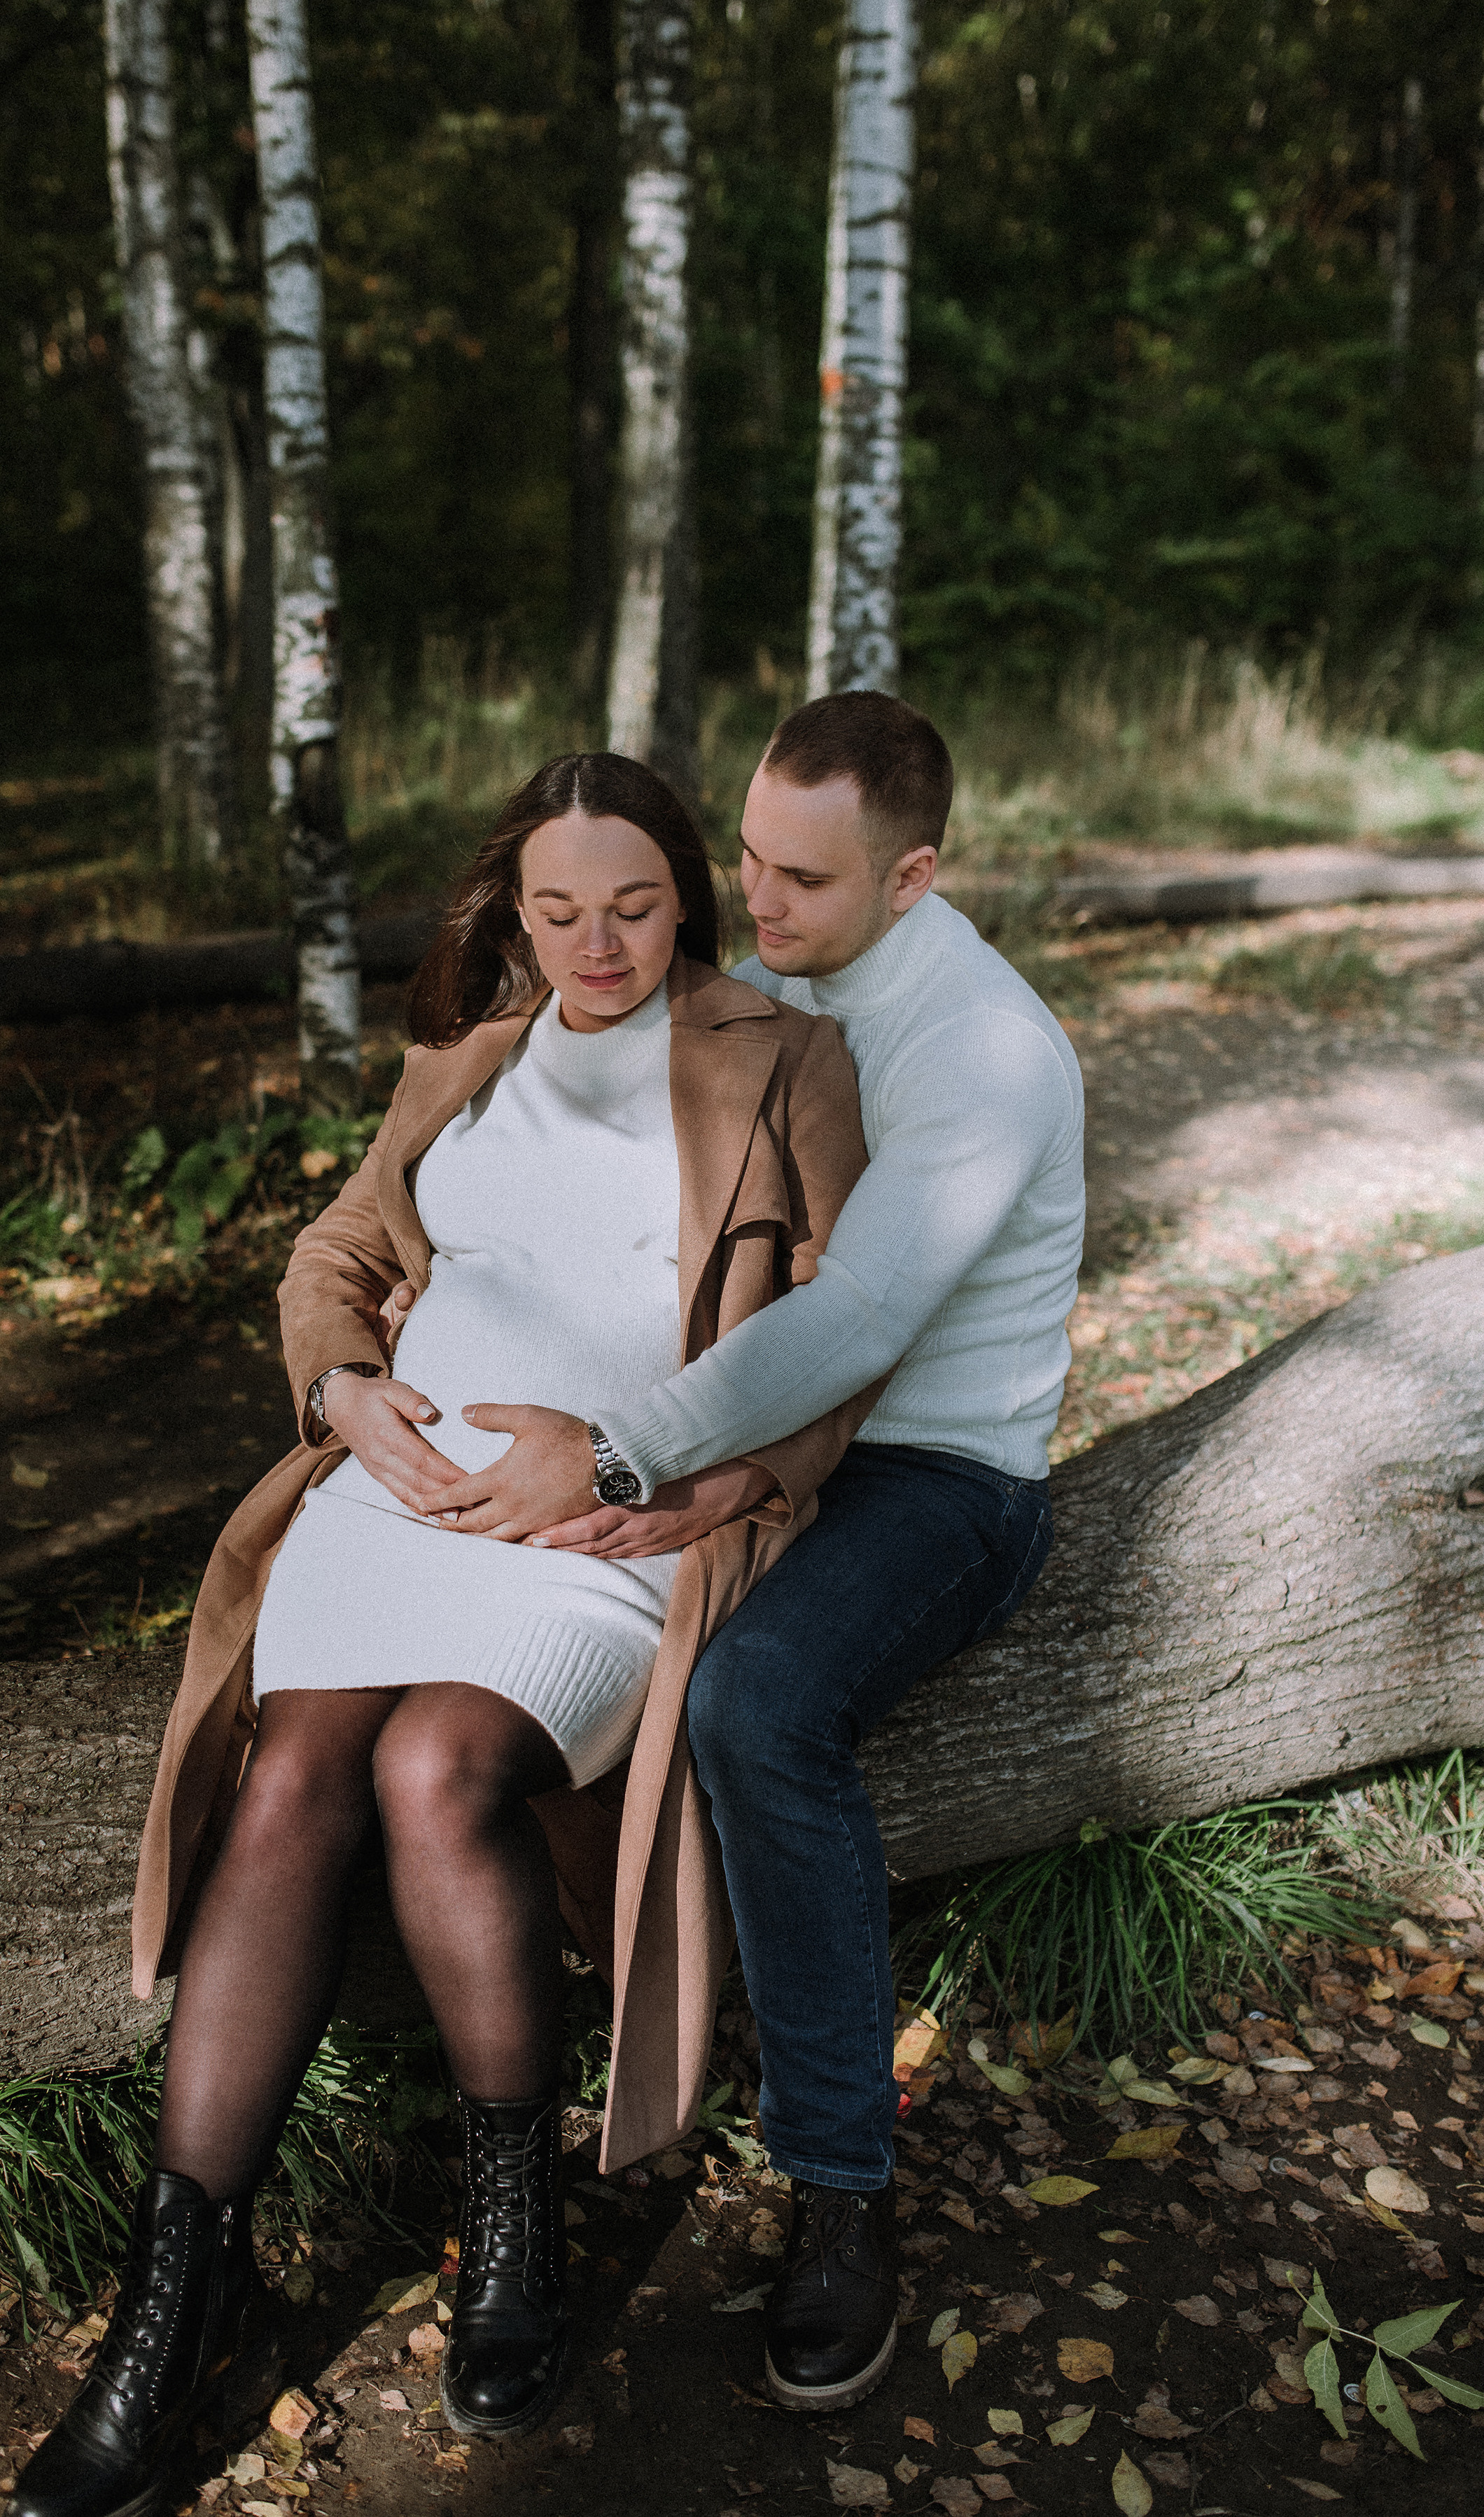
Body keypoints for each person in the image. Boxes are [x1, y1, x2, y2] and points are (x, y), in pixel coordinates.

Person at [10, 752, 872, 2517]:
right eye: (558, 908)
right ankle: (178, 2302)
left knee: (437, 1760)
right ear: (516, 905)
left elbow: (850, 1330)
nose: (595, 941)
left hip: (604, 1529)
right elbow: (332, 1249)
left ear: (687, 893)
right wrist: (345, 1386)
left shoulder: (782, 1059)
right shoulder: (471, 1055)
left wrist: (710, 1490)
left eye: (631, 903)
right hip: (395, 1504)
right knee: (294, 1776)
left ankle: (514, 2225)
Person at [407, 692, 1086, 2417]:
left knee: (758, 1701)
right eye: (751, 861)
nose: (754, 907)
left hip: (934, 1474)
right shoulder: (776, 977)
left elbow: (862, 1316)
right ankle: (591, 2051)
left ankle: (840, 2186)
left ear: (913, 874)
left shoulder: (988, 1049)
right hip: (755, 1436)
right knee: (559, 1629)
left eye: (801, 879)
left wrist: (640, 1448)